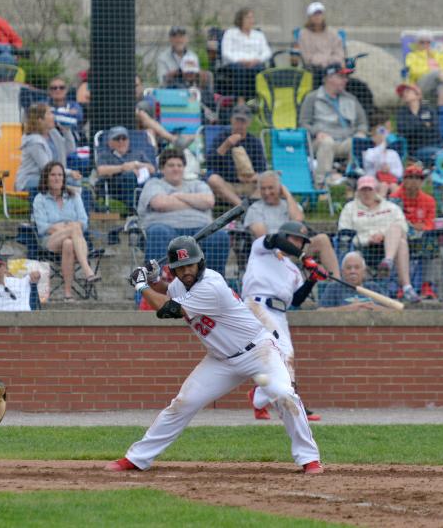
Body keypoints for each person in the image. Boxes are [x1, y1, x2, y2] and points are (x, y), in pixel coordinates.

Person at [105, 236, 323, 474]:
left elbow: (168, 309)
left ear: (200, 264)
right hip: (221, 360)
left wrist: (140, 285)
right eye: (180, 268)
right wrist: (153, 278)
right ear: (174, 269)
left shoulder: (211, 285)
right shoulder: (180, 284)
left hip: (258, 352)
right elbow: (168, 291)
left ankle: (309, 459)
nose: (187, 271)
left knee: (284, 395)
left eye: (191, 265)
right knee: (183, 403)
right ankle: (137, 458)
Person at [241, 222, 326, 422]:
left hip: (280, 314)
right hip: (257, 305)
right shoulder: (262, 249)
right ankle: (291, 405)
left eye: (301, 241)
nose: (297, 243)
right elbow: (275, 240)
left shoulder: (294, 271)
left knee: (280, 359)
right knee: (286, 354)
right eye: (294, 238)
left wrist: (312, 279)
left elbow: (296, 300)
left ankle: (259, 398)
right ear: (285, 237)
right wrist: (304, 257)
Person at [137, 149, 228, 276]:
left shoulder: (197, 184)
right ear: (162, 169)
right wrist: (194, 203)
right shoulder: (154, 184)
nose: (176, 169)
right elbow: (160, 203)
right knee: (158, 232)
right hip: (165, 229)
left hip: (200, 230)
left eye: (179, 165)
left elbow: (208, 201)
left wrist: (177, 195)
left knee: (220, 236)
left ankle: (212, 284)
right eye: (171, 165)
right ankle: (154, 285)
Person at [243, 171, 340, 279]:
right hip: (273, 253)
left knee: (323, 239)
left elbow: (299, 220)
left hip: (297, 250)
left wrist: (288, 195)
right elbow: (263, 237)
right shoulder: (255, 209)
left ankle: (336, 283)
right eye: (263, 188)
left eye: (271, 188)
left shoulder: (289, 205)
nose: (266, 192)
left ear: (280, 188)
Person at [338, 175, 419, 303]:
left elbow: (404, 227)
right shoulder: (350, 208)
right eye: (363, 190)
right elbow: (344, 232)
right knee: (401, 243)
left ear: (375, 190)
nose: (366, 193)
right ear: (358, 191)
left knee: (398, 231)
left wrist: (382, 235)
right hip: (363, 248)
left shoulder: (390, 207)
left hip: (388, 245)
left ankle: (389, 263)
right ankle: (407, 287)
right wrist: (368, 239)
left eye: (369, 189)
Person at [31, 162, 98, 302]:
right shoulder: (40, 199)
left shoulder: (74, 196)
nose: (57, 178)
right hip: (50, 240)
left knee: (68, 243)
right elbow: (43, 227)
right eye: (53, 175)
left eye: (60, 175)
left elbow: (83, 221)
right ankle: (87, 270)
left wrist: (66, 228)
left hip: (73, 241)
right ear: (46, 178)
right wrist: (69, 227)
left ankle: (68, 294)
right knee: (74, 228)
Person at [299, 63, 368, 187]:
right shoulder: (312, 98)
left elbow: (362, 122)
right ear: (328, 77)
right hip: (320, 142)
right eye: (341, 77)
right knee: (327, 142)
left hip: (344, 142)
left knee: (359, 141)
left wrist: (361, 132)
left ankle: (352, 181)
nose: (345, 80)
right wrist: (317, 133)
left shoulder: (351, 99)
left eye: (346, 77)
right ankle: (321, 184)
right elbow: (303, 123)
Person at [389, 165, 438, 300]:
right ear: (404, 180)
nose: (414, 181)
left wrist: (420, 228)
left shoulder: (429, 200)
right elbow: (394, 221)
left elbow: (429, 223)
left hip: (420, 238)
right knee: (398, 242)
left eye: (417, 178)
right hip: (401, 237)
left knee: (431, 243)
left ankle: (427, 285)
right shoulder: (395, 197)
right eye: (410, 177)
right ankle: (399, 286)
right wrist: (412, 226)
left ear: (422, 181)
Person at [205, 105, 266, 206]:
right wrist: (225, 145)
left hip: (249, 185)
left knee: (267, 181)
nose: (240, 124)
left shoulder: (254, 142)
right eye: (237, 120)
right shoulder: (221, 138)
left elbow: (262, 169)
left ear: (249, 123)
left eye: (243, 121)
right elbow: (209, 164)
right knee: (213, 179)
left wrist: (253, 177)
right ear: (231, 120)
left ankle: (244, 209)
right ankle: (243, 208)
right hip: (227, 185)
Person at [15, 103, 78, 191]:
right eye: (49, 113)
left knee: (75, 182)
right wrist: (70, 172)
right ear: (40, 120)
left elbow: (69, 149)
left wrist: (66, 130)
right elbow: (46, 167)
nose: (53, 116)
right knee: (68, 183)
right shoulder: (34, 141)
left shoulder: (53, 133)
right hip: (30, 180)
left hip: (52, 177)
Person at [95, 125, 155, 208]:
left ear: (128, 141)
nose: (121, 142)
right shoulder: (105, 155)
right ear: (110, 142)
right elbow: (101, 170)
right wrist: (123, 168)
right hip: (116, 186)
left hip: (141, 183)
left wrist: (136, 164)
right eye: (117, 139)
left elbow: (152, 169)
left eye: (124, 138)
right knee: (130, 176)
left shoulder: (138, 153)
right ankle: (135, 208)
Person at [219, 7, 271, 103]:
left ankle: (257, 100)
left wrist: (257, 60)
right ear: (240, 19)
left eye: (252, 18)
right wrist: (241, 60)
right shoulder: (230, 33)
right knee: (240, 69)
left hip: (255, 63)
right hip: (236, 64)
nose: (251, 20)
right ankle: (240, 101)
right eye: (248, 18)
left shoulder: (258, 35)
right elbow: (226, 52)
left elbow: (267, 52)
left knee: (260, 69)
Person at [319, 251, 392, 310]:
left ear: (364, 272)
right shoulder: (334, 288)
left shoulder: (373, 287)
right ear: (342, 272)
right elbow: (320, 312)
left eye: (357, 267)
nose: (352, 271)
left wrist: (373, 308)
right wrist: (348, 309)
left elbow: (393, 310)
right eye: (348, 268)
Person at [296, 1, 345, 86]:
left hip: (333, 66)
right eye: (314, 14)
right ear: (309, 17)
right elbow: (307, 57)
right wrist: (325, 62)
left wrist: (330, 62)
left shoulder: (333, 33)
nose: (317, 17)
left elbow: (339, 53)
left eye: (319, 14)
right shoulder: (303, 34)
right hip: (316, 69)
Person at [395, 83, 441, 165]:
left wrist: (414, 126)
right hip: (415, 150)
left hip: (434, 145)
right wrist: (424, 125)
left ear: (418, 95)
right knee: (441, 154)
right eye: (402, 94)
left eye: (408, 91)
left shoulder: (429, 110)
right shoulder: (401, 113)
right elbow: (403, 131)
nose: (404, 94)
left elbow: (435, 130)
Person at [362, 112, 403, 198]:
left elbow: (400, 173)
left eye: (383, 134)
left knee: (394, 186)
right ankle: (380, 206)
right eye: (379, 134)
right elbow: (370, 161)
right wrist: (383, 143)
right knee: (383, 185)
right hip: (374, 181)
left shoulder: (393, 153)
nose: (381, 136)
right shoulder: (369, 152)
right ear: (373, 137)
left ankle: (396, 205)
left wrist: (389, 170)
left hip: (391, 180)